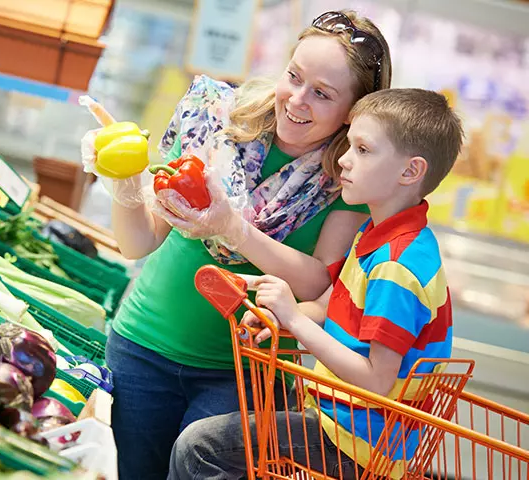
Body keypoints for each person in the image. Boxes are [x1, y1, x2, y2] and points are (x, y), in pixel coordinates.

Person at [81, 10, 392, 479]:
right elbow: (138, 241)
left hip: (245, 374)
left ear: (353, 112)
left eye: (322, 94)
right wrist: (123, 182)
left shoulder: (348, 178)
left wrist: (234, 228)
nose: (297, 100)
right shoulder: (211, 118)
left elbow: (319, 284)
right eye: (294, 76)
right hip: (143, 348)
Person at [168, 88, 464, 480]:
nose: (343, 159)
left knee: (200, 447)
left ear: (410, 172)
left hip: (356, 442)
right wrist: (279, 308)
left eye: (363, 149)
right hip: (337, 419)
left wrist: (296, 319)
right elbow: (332, 309)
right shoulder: (378, 236)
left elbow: (377, 379)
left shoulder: (398, 265)